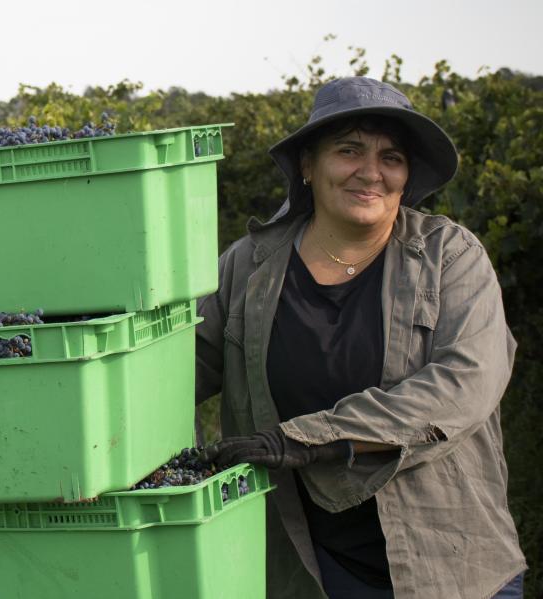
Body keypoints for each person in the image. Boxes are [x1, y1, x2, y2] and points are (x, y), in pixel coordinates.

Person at [197, 77, 526, 598]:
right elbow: (177, 369)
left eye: (390, 157)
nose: (370, 172)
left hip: (448, 564)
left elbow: (467, 382)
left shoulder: (449, 255)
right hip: (311, 567)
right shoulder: (249, 265)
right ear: (308, 165)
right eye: (349, 150)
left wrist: (307, 437)